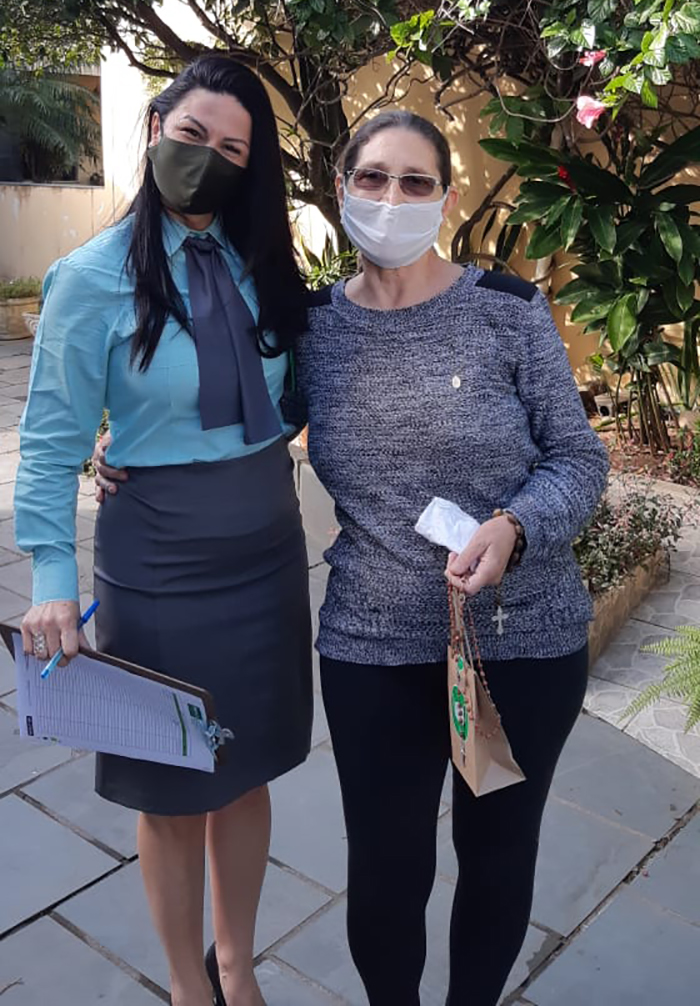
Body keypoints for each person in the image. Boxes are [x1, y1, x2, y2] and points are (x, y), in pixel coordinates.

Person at [96, 107, 610, 1006]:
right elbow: (243, 420)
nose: (392, 198)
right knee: (384, 870)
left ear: (445, 197)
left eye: (415, 182)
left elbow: (578, 458)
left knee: (497, 855)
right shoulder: (312, 328)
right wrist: (134, 447)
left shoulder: (508, 311)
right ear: (341, 191)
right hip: (373, 648)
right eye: (373, 177)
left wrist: (516, 527)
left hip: (521, 640)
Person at [15, 56, 313, 1006]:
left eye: (234, 148)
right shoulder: (88, 279)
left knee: (248, 769)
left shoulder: (261, 260)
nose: (208, 158)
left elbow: (289, 394)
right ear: (154, 130)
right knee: (176, 783)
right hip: (162, 566)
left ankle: (238, 966)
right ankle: (188, 985)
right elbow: (50, 442)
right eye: (192, 136)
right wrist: (51, 578)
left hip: (267, 550)